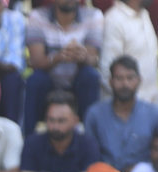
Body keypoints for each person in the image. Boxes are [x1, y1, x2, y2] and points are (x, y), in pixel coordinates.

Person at [22, 0, 102, 136]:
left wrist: (81, 56)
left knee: (91, 76)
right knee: (35, 79)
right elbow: (36, 62)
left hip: (78, 81)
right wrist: (58, 57)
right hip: (49, 82)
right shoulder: (38, 16)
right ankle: (28, 139)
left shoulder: (93, 16)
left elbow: (92, 60)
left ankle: (91, 140)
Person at [83, 56, 158, 172]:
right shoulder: (95, 114)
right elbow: (89, 156)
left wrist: (141, 169)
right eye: (119, 78)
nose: (125, 84)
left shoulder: (157, 115)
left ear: (139, 80)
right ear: (110, 81)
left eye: (130, 78)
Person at [19, 91, 101, 172]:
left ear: (75, 121)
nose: (55, 126)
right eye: (51, 120)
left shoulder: (88, 144)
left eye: (61, 121)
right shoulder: (33, 142)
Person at [98, 0, 158, 111]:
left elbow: (146, 50)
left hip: (152, 96)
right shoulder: (114, 19)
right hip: (127, 104)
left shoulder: (144, 14)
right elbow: (107, 72)